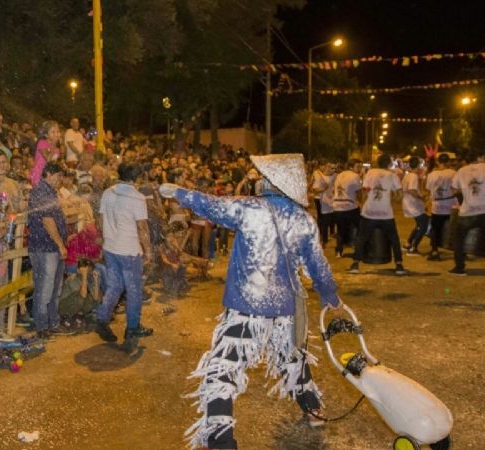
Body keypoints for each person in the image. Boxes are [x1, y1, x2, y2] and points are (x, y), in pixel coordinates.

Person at [159, 153, 340, 450]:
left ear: (271, 182)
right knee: (292, 359)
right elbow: (317, 265)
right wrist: (329, 294)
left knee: (222, 369)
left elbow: (211, 206)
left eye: (261, 176)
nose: (257, 180)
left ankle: (220, 440)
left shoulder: (249, 209)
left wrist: (178, 192)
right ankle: (312, 409)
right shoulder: (303, 219)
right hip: (285, 309)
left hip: (247, 309)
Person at [93, 163, 153, 353]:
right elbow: (143, 228)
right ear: (136, 178)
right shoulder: (137, 197)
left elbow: (100, 220)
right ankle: (133, 328)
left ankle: (102, 318)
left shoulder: (107, 193)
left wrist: (107, 238)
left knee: (115, 286)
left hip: (111, 247)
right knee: (134, 290)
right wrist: (149, 250)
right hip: (129, 250)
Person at [26, 162, 69, 338]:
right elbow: (47, 221)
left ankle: (52, 322)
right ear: (49, 174)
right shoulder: (41, 192)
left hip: (50, 247)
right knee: (45, 287)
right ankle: (43, 326)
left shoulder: (49, 192)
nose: (61, 180)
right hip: (45, 247)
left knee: (54, 287)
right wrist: (60, 244)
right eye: (58, 176)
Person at [347, 154, 406, 275]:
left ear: (377, 162)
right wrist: (393, 199)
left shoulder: (370, 173)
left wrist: (364, 203)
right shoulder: (392, 175)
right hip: (386, 213)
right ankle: (399, 264)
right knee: (394, 239)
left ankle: (355, 264)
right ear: (389, 164)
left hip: (369, 212)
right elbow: (400, 194)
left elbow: (365, 191)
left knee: (362, 237)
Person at [425, 154, 458, 261]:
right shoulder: (453, 173)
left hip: (437, 206)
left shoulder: (431, 175)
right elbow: (457, 188)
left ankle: (435, 250)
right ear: (448, 162)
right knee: (453, 228)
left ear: (438, 162)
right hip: (451, 204)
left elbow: (428, 189)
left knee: (436, 229)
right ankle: (457, 249)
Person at [331, 159, 362, 258]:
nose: (359, 169)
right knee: (360, 227)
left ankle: (338, 251)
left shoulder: (339, 175)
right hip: (349, 206)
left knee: (340, 230)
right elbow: (359, 192)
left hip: (337, 206)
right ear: (351, 167)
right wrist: (361, 202)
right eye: (358, 166)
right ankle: (359, 250)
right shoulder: (355, 176)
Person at [402, 156, 429, 255]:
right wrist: (421, 197)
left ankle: (408, 244)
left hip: (409, 203)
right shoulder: (413, 176)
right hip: (413, 204)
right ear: (418, 165)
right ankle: (413, 248)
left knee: (419, 224)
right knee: (423, 225)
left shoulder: (408, 175)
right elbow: (412, 190)